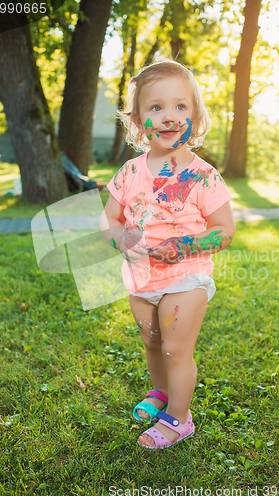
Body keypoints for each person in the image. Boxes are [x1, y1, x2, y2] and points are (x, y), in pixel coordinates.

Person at [100, 59, 235, 450]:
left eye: (180, 106)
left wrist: (187, 246)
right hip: (142, 277)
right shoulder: (129, 172)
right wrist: (120, 239)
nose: (169, 117)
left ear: (195, 114)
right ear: (140, 120)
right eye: (156, 108)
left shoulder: (203, 175)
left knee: (176, 348)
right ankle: (160, 392)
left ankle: (179, 419)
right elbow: (111, 215)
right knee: (153, 343)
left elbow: (225, 230)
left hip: (185, 278)